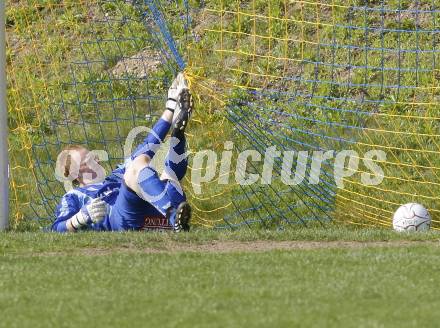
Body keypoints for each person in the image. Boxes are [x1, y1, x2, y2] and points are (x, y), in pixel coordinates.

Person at [51, 73, 193, 232]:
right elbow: (55, 229)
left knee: (169, 177)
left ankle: (178, 134)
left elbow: (147, 146)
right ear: (76, 173)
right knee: (137, 165)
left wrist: (170, 108)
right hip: (122, 220)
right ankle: (174, 218)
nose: (97, 159)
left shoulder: (115, 177)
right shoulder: (74, 196)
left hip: (151, 216)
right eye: (89, 159)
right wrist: (77, 220)